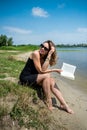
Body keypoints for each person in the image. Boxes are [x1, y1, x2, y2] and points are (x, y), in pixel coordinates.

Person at [19, 40, 74, 114]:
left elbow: (43, 69)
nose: (42, 48)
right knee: (47, 76)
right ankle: (49, 102)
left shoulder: (45, 57)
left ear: (49, 51)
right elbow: (41, 72)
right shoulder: (36, 53)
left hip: (35, 77)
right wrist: (54, 70)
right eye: (42, 46)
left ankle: (64, 104)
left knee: (51, 80)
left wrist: (49, 55)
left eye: (45, 48)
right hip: (25, 78)